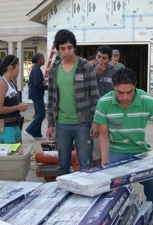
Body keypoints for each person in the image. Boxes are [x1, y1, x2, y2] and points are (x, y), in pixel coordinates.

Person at [94, 68, 153, 210]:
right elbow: (103, 134)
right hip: (116, 150)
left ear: (135, 86)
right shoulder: (104, 102)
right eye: (120, 92)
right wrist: (104, 159)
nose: (125, 97)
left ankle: (152, 213)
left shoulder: (147, 101)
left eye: (129, 92)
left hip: (141, 151)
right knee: (114, 189)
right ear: (113, 87)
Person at [46, 29, 100, 175]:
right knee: (62, 165)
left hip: (83, 123)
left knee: (86, 166)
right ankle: (65, 195)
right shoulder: (54, 70)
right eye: (62, 48)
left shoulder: (85, 67)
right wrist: (50, 123)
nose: (66, 52)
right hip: (62, 124)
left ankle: (86, 195)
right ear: (58, 49)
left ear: (74, 47)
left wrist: (95, 121)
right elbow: (50, 98)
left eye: (69, 48)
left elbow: (95, 96)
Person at [0, 54, 28, 144]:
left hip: (15, 125)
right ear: (10, 67)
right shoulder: (1, 83)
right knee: (10, 156)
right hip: (6, 127)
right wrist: (17, 107)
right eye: (18, 66)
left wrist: (20, 105)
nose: (19, 69)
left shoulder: (11, 82)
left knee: (18, 155)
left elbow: (11, 102)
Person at [23, 53, 47, 140]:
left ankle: (37, 134)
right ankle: (29, 130)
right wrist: (47, 87)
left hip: (36, 94)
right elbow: (37, 83)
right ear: (39, 59)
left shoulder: (36, 69)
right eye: (43, 59)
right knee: (41, 114)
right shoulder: (36, 69)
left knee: (38, 114)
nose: (44, 60)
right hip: (36, 94)